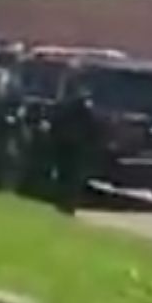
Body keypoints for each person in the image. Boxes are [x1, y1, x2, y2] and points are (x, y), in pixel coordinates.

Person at [46, 62, 98, 215]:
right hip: (67, 141)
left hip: (73, 142)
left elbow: (89, 121)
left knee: (70, 175)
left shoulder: (77, 99)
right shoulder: (71, 96)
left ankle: (67, 204)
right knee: (67, 174)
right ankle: (64, 203)